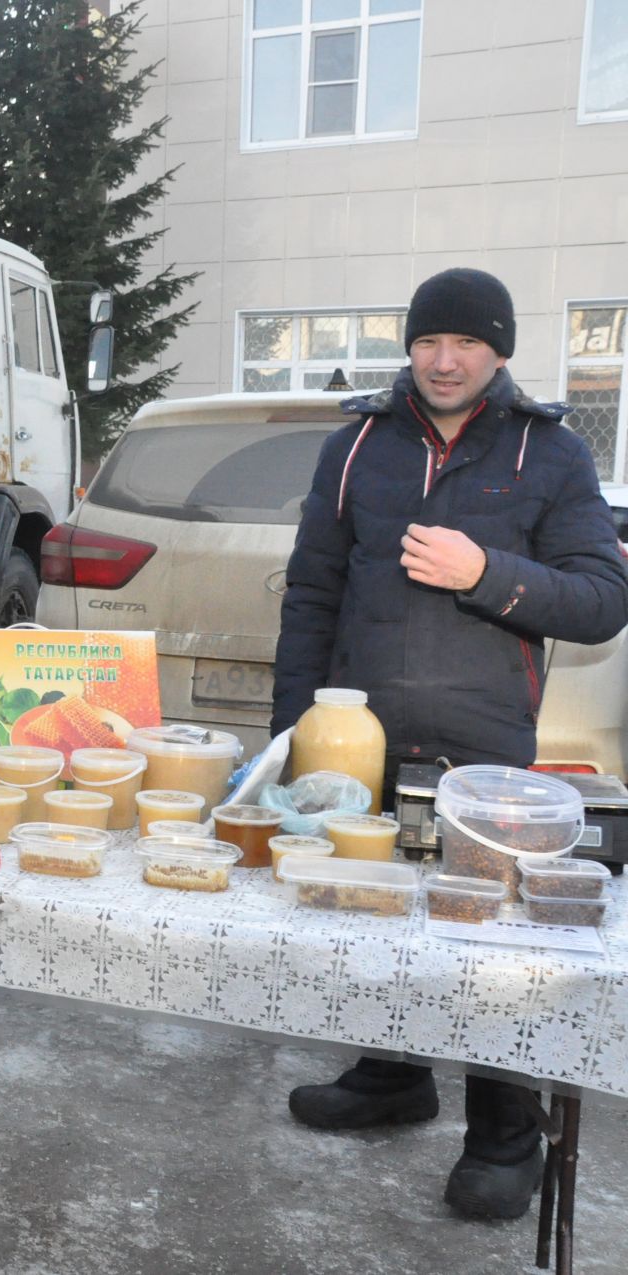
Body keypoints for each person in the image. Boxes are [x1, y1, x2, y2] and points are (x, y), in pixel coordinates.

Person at [273, 267, 628, 1220]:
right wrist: (293, 736)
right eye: (429, 340)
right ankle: (392, 1076)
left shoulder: (548, 453)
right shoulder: (356, 445)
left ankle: (505, 1132)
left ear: (500, 352)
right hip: (363, 736)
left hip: (488, 744)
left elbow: (602, 600)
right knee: (374, 912)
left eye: (466, 342)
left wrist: (487, 573)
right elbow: (311, 592)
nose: (443, 358)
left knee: (494, 942)